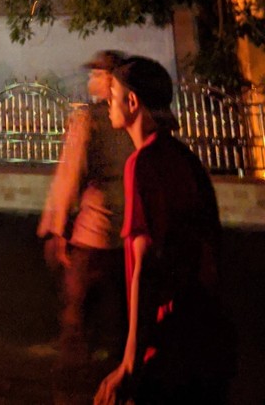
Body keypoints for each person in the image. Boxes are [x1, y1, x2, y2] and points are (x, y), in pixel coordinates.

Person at [95, 56, 235, 405]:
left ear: (132, 102)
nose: (106, 101)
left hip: (170, 344)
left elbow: (146, 268)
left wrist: (130, 363)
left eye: (111, 93)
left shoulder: (143, 163)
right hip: (205, 335)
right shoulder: (183, 158)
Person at [38, 50, 134, 363]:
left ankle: (73, 363)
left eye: (97, 74)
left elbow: (71, 174)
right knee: (122, 300)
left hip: (95, 226)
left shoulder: (88, 119)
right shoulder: (135, 117)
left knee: (76, 300)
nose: (91, 79)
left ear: (111, 80)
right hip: (131, 225)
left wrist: (57, 227)